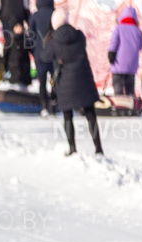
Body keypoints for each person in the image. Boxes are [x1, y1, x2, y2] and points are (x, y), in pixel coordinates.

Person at [43, 8, 105, 156]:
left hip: (65, 83)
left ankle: (72, 148)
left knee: (67, 116)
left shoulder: (53, 41)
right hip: (84, 79)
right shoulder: (79, 35)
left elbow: (44, 56)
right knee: (90, 114)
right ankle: (98, 148)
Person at [0, 0, 31, 88]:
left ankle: (13, 73)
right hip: (17, 17)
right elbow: (26, 5)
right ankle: (17, 74)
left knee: (11, 46)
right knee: (18, 46)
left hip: (8, 18)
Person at [28, 0, 57, 115]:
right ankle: (54, 105)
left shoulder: (35, 16)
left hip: (40, 54)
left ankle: (44, 107)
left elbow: (30, 36)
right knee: (55, 80)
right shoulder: (55, 14)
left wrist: (34, 51)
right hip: (55, 53)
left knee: (42, 82)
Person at [109, 7, 142, 97]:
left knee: (118, 86)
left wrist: (111, 53)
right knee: (130, 88)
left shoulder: (118, 28)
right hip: (132, 65)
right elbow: (141, 46)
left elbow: (114, 42)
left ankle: (120, 107)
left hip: (118, 63)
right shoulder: (138, 31)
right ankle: (130, 107)